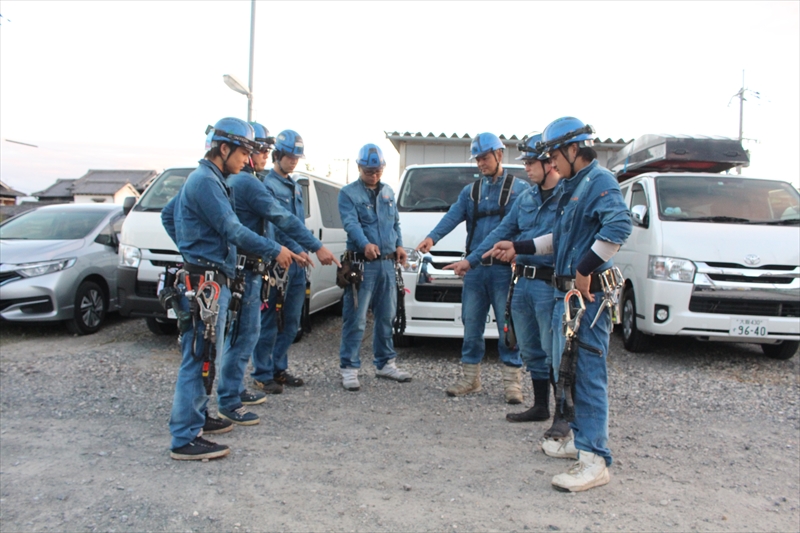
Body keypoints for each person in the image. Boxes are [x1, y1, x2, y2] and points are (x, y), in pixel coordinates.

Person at [487, 117, 632, 492]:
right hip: (566, 296)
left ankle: (594, 459)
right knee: (568, 372)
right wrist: (518, 246)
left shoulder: (599, 181)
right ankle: (581, 441)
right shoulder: (573, 185)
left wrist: (584, 268)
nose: (549, 163)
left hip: (587, 297)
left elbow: (619, 227)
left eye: (553, 155)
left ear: (573, 149)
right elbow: (560, 237)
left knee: (587, 374)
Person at [161, 117, 302, 461]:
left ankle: (197, 418)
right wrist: (275, 249)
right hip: (205, 281)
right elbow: (233, 230)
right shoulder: (205, 182)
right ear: (223, 148)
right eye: (243, 153)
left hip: (210, 279)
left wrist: (193, 249)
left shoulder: (211, 180)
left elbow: (170, 215)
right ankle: (184, 437)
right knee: (198, 357)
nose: (247, 160)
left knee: (206, 355)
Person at [216, 123, 338, 426]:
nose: (259, 155)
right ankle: (233, 396)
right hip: (256, 267)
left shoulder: (246, 182)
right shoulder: (247, 183)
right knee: (246, 333)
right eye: (256, 150)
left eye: (262, 150)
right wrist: (314, 247)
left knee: (254, 331)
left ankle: (237, 390)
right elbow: (280, 221)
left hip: (265, 264)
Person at [416, 133, 529, 404]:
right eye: (477, 159)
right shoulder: (470, 192)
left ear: (499, 154)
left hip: (504, 270)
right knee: (471, 323)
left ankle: (512, 384)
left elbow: (524, 227)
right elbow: (453, 216)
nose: (480, 163)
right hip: (476, 271)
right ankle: (471, 379)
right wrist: (432, 237)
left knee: (508, 326)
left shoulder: (520, 190)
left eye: (484, 158)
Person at [473, 133, 564, 424]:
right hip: (523, 283)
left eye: (531, 163)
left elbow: (563, 239)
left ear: (549, 163)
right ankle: (541, 407)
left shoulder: (567, 197)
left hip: (550, 285)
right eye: (525, 163)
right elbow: (502, 231)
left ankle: (563, 415)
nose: (526, 168)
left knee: (554, 351)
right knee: (530, 348)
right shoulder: (526, 197)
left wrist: (518, 247)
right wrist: (472, 260)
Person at [337, 143, 411, 391]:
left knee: (387, 316)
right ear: (359, 167)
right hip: (361, 264)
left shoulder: (388, 192)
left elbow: (395, 224)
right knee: (356, 318)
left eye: (378, 170)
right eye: (369, 171)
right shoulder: (348, 194)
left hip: (387, 265)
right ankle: (349, 368)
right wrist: (364, 244)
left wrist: (399, 246)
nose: (374, 175)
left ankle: (385, 364)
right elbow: (351, 224)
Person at [251, 130, 320, 394]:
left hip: (298, 264)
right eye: (289, 156)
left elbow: (296, 224)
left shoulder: (294, 185)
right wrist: (298, 249)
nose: (293, 161)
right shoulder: (267, 186)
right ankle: (262, 373)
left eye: (296, 157)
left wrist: (302, 250)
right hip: (278, 264)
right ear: (277, 155)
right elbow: (276, 227)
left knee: (292, 321)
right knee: (270, 320)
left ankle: (279, 368)